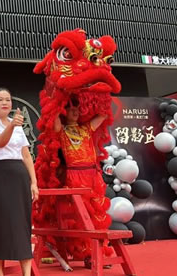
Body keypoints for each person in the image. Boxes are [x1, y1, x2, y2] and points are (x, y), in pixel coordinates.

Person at [0, 88, 39, 276]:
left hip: (20, 175)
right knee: (0, 222)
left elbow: (26, 155)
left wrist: (34, 182)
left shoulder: (18, 126)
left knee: (23, 222)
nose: (5, 103)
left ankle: (26, 272)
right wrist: (11, 126)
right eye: (0, 99)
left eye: (8, 99)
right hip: (0, 174)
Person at [54, 97, 111, 268]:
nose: (75, 111)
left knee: (98, 215)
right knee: (82, 217)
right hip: (75, 175)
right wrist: (56, 99)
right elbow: (53, 117)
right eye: (71, 109)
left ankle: (99, 253)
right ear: (65, 112)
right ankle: (87, 255)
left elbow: (103, 114)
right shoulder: (62, 130)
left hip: (93, 175)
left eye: (77, 108)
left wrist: (96, 92)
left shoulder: (87, 128)